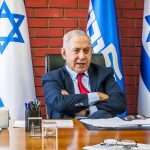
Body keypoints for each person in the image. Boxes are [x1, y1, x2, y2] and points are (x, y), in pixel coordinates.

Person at [42, 30, 126, 119]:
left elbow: (120, 103)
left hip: (99, 129)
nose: (82, 56)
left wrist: (86, 111)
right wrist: (97, 96)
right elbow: (58, 102)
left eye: (86, 51)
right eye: (76, 50)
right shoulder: (52, 77)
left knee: (101, 115)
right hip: (67, 130)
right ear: (64, 53)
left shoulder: (104, 73)